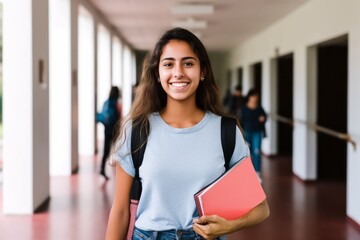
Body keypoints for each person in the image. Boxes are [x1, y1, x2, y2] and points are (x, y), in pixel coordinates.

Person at [105, 28, 269, 240]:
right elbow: (119, 211)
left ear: (203, 72)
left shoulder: (226, 131)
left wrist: (227, 226)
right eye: (168, 64)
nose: (178, 72)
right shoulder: (137, 130)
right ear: (158, 73)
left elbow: (261, 208)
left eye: (188, 63)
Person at [240, 88, 267, 182]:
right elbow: (240, 121)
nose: (255, 98)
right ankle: (248, 173)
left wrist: (263, 119)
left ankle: (257, 172)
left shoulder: (259, 108)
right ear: (249, 97)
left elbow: (265, 117)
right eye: (253, 96)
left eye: (256, 96)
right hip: (247, 132)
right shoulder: (244, 108)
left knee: (256, 152)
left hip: (257, 132)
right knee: (248, 153)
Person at [99, 86, 122, 180]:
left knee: (106, 149)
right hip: (114, 129)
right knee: (117, 149)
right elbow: (119, 117)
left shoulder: (106, 102)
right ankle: (119, 170)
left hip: (107, 128)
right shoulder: (116, 103)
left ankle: (102, 169)